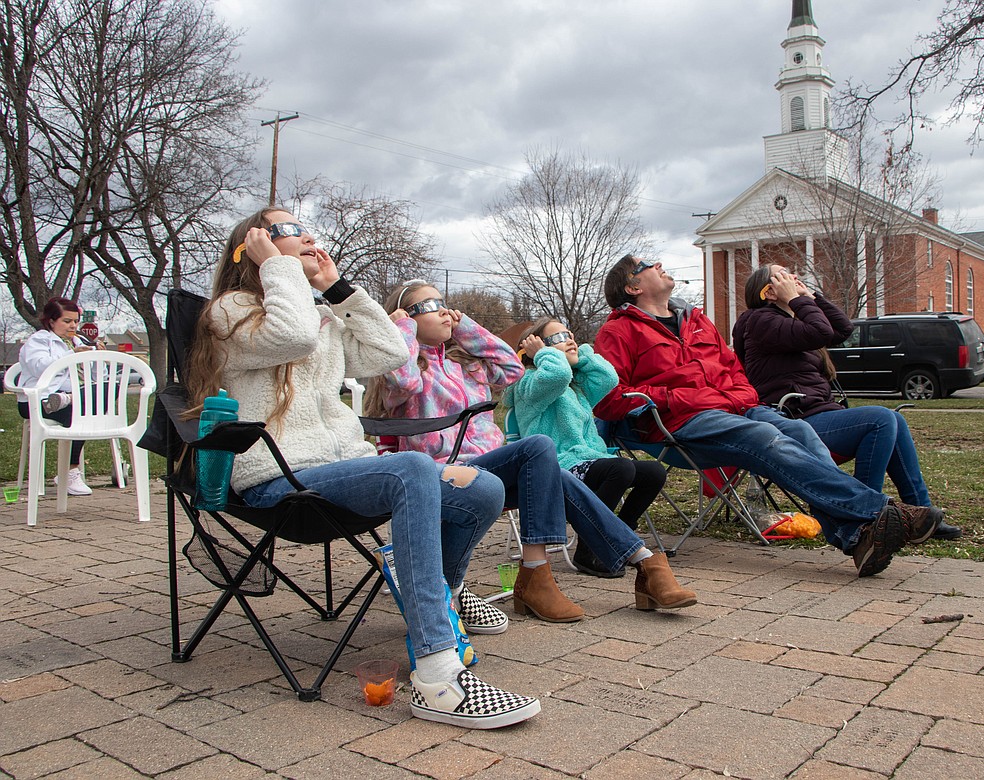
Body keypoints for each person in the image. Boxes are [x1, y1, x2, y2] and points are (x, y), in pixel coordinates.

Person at [183, 208, 539, 729]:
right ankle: (438, 673)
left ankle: (441, 596)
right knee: (413, 469)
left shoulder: (316, 312)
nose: (307, 236)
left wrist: (338, 288)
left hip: (340, 469)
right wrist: (275, 271)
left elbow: (391, 352)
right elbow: (293, 338)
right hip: (275, 477)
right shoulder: (230, 311)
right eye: (287, 230)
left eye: (307, 230)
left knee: (481, 487)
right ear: (251, 246)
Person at [593, 255, 946, 578]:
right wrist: (683, 398)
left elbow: (738, 373)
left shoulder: (697, 322)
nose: (658, 263)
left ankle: (857, 536)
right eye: (646, 265)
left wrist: (738, 397)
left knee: (801, 432)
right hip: (681, 423)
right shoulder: (619, 330)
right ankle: (881, 513)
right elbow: (609, 399)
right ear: (633, 287)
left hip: (737, 408)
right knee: (764, 437)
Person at [365, 280, 696, 619]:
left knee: (548, 465)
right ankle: (555, 572)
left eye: (443, 301)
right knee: (539, 447)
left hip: (486, 468)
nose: (444, 310)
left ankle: (638, 565)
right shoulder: (404, 372)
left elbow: (510, 367)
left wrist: (465, 327)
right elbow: (404, 380)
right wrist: (400, 328)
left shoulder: (466, 365)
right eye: (429, 306)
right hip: (442, 473)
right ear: (406, 317)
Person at [732, 264, 962, 540]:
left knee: (894, 420)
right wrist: (798, 300)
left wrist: (811, 296)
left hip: (820, 413)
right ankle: (867, 515)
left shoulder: (791, 319)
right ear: (768, 292)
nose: (793, 278)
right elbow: (821, 333)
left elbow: (842, 328)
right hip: (793, 419)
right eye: (784, 275)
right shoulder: (760, 321)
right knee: (880, 419)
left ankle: (920, 512)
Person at [502, 317, 667, 577]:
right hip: (558, 463)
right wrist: (543, 354)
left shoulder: (575, 387)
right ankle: (588, 549)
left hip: (588, 458)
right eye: (557, 338)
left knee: (654, 473)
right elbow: (556, 374)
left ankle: (614, 540)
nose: (568, 341)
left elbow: (608, 378)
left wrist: (582, 356)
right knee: (621, 469)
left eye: (569, 335)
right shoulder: (528, 384)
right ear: (535, 350)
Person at [17, 297, 97, 496]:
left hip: (72, 398)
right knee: (81, 411)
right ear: (52, 321)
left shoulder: (79, 341)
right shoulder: (39, 340)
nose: (73, 326)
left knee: (103, 392)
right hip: (37, 400)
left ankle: (69, 399)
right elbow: (39, 367)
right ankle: (69, 471)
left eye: (75, 321)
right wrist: (72, 355)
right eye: (66, 321)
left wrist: (96, 358)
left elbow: (97, 377)